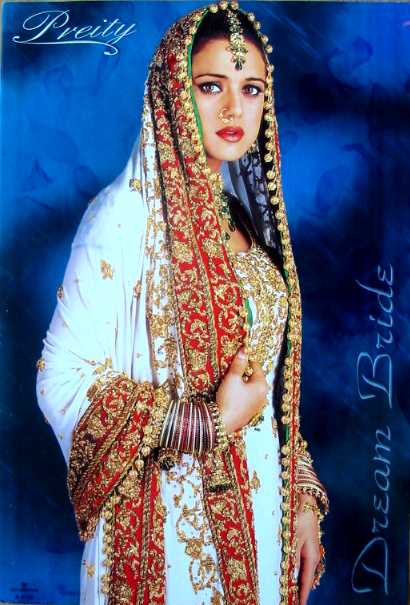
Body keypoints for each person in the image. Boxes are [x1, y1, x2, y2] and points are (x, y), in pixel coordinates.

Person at [36, 3, 328, 604]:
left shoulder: (244, 220)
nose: (234, 110)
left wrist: (301, 495)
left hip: (262, 519)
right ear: (173, 92)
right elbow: (59, 378)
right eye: (211, 86)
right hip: (165, 533)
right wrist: (206, 423)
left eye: (251, 89)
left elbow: (267, 383)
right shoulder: (124, 217)